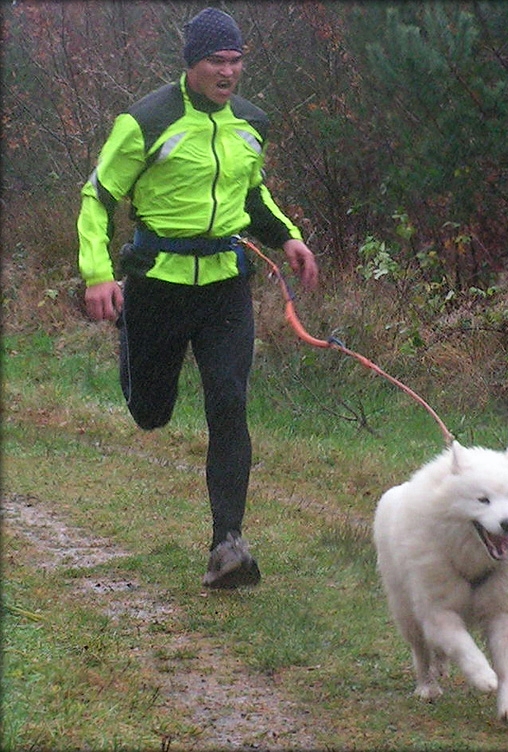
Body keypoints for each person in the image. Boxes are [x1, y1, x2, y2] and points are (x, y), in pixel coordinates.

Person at [77, 7, 318, 589]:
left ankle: (227, 544)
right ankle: (126, 337)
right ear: (192, 64)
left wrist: (287, 236)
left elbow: (252, 193)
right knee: (150, 413)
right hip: (156, 285)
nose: (228, 71)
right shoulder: (145, 121)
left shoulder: (251, 122)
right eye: (217, 60)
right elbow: (97, 197)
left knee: (229, 404)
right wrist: (97, 274)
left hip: (223, 288)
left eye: (236, 60)